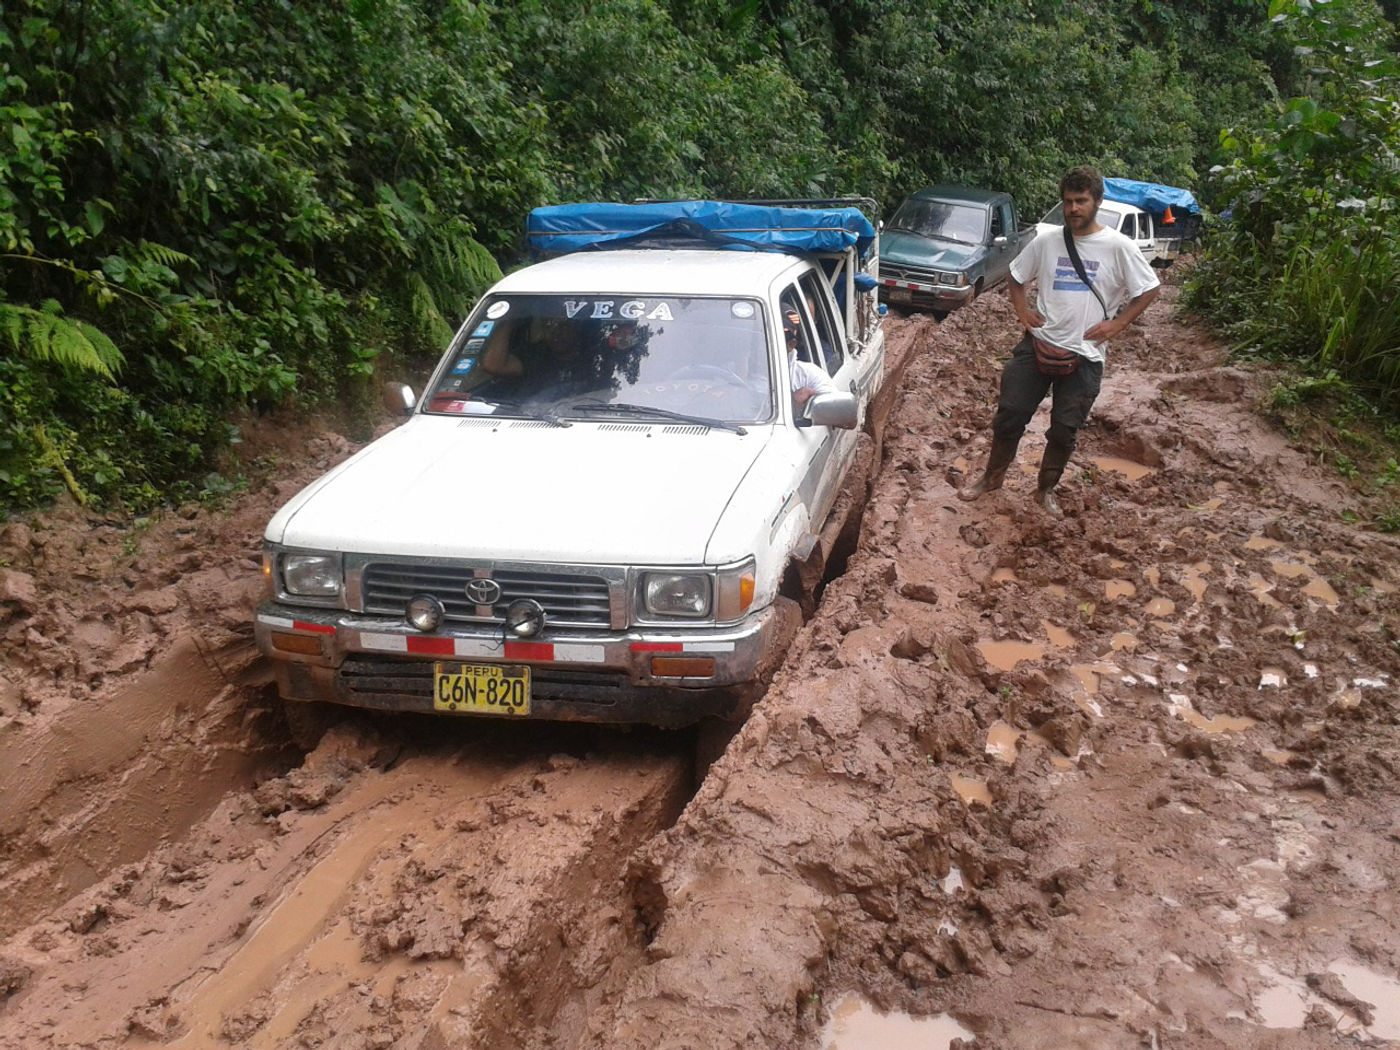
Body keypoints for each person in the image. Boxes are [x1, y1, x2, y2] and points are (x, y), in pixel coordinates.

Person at [959, 165, 1161, 517]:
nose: (1073, 209)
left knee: (1065, 430)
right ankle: (991, 479)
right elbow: (1017, 275)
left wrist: (1118, 324)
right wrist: (1023, 312)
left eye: (1081, 201)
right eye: (1067, 202)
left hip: (1085, 356)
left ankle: (1045, 490)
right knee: (1009, 415)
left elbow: (1150, 288)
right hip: (1037, 344)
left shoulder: (1118, 246)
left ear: (1097, 201)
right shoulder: (1048, 240)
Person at [782, 303, 836, 410]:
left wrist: (794, 405)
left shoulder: (807, 376)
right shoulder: (739, 376)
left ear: (791, 345)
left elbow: (844, 417)